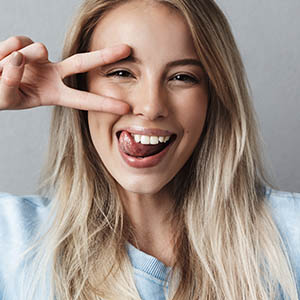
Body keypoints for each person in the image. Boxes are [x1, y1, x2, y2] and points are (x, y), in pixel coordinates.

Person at [0, 0, 299, 299]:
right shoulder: (11, 243)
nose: (151, 107)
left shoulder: (291, 233)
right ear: (79, 86)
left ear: (214, 96)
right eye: (121, 73)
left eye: (182, 77)